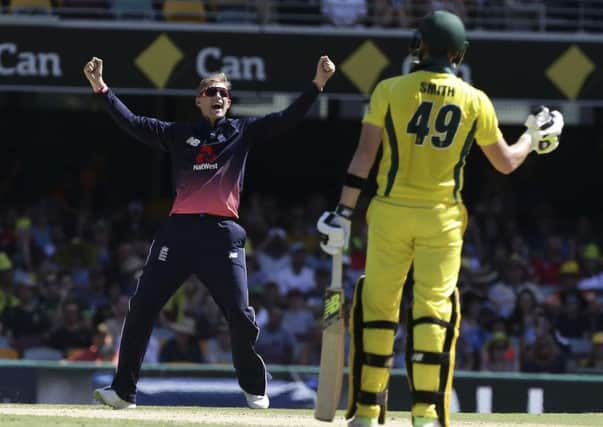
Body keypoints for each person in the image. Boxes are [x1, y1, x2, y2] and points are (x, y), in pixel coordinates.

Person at [316, 10, 563, 427]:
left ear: (418, 46)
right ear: (459, 54)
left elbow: (364, 156)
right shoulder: (474, 99)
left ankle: (368, 410)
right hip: (442, 219)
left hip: (390, 212)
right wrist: (531, 139)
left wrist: (343, 212)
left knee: (377, 306)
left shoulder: (389, 89)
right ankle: (426, 413)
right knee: (434, 310)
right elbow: (505, 163)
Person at [83, 53, 335, 410]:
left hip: (222, 234)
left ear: (229, 102)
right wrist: (101, 89)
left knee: (239, 313)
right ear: (198, 99)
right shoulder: (178, 135)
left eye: (224, 94)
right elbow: (135, 124)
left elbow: (286, 119)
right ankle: (124, 391)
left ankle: (253, 385)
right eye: (211, 91)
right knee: (141, 308)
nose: (218, 97)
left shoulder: (241, 132)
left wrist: (317, 85)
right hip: (179, 233)